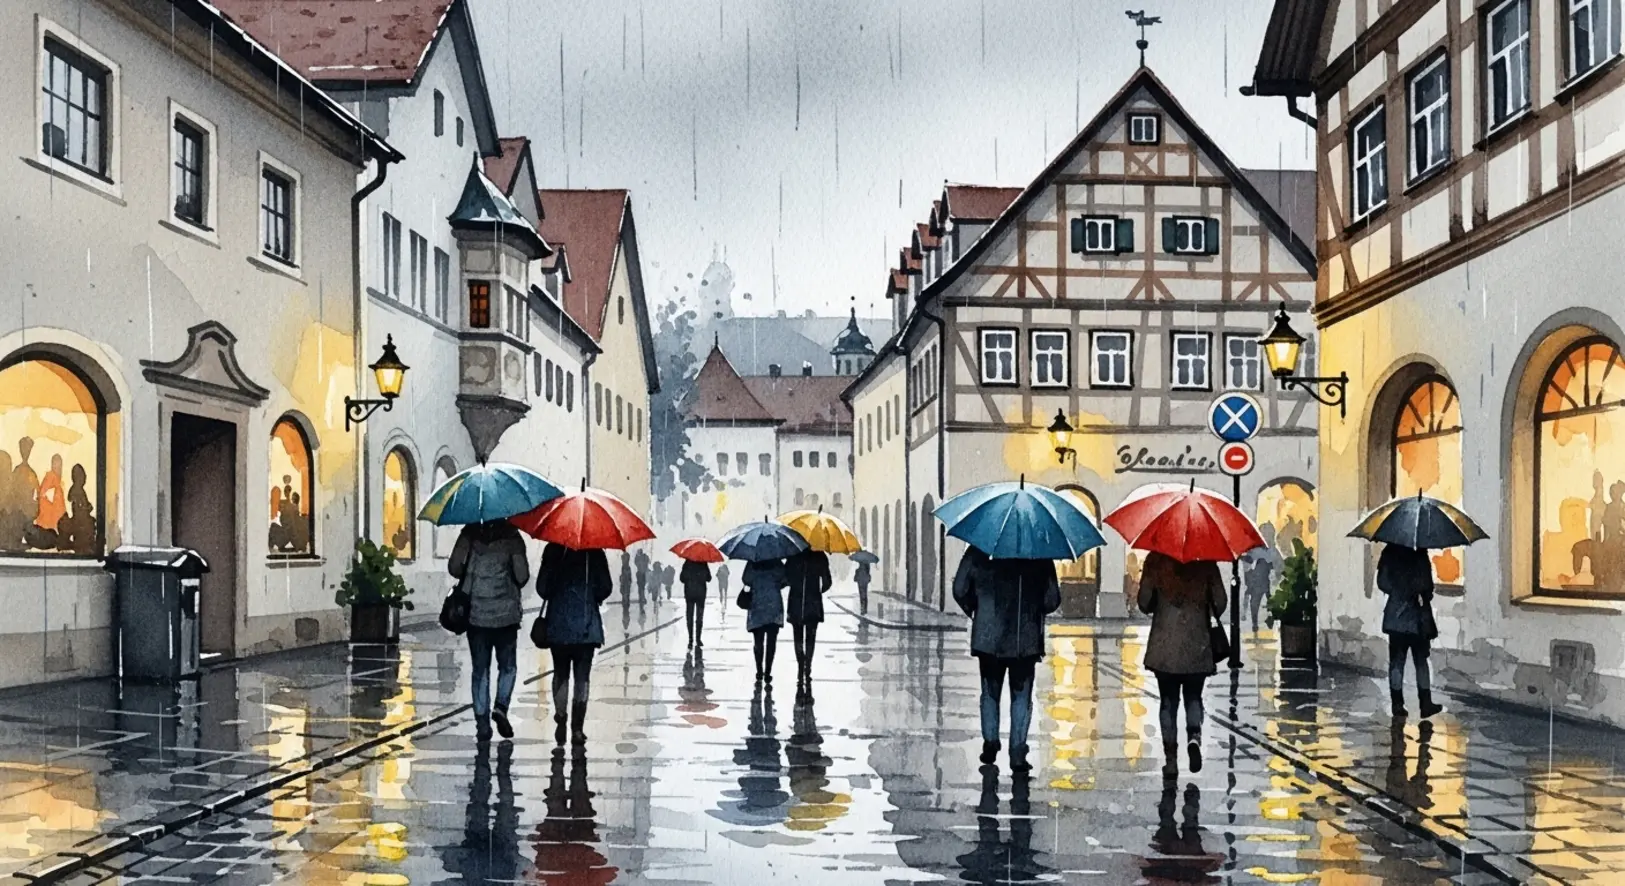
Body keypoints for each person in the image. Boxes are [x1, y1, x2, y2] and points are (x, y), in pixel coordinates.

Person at [953, 546, 1060, 773]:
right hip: (1025, 637)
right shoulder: (1038, 552)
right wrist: (1033, 607)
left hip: (988, 635)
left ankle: (991, 740)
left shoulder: (979, 550)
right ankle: (1017, 751)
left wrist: (977, 608)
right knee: (1021, 696)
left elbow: (959, 589)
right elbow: (1053, 599)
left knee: (990, 692)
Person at [1138, 551, 1227, 779]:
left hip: (1164, 645)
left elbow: (1144, 603)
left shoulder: (1155, 559)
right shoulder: (1206, 560)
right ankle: (1194, 737)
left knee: (1168, 702)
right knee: (1194, 697)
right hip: (1196, 643)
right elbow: (1221, 602)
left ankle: (1171, 761)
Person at [449, 520, 530, 741]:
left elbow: (454, 568)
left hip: (476, 614)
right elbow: (522, 577)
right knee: (508, 667)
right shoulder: (513, 537)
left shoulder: (469, 534)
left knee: (480, 671)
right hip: (506, 616)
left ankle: (482, 723)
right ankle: (501, 707)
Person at [539, 541, 614, 747]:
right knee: (582, 678)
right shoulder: (595, 551)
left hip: (558, 624)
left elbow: (542, 588)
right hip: (586, 625)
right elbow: (605, 588)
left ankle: (561, 717)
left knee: (561, 673)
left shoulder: (553, 549)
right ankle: (578, 728)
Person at [1378, 542, 1442, 719]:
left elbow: (1382, 583)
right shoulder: (1420, 553)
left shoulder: (1389, 551)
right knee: (1421, 661)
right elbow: (1428, 588)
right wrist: (1418, 593)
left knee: (1396, 662)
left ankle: (1397, 705)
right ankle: (1425, 703)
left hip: (1396, 616)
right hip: (1417, 617)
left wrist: (1398, 592)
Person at [784, 548, 832, 700]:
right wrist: (815, 589)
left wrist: (796, 582)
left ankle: (800, 666)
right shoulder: (820, 556)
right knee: (810, 639)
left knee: (798, 638)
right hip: (813, 604)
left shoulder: (793, 554)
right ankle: (807, 668)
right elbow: (827, 582)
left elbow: (785, 579)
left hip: (796, 604)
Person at [741, 557, 789, 684]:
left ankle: (759, 671)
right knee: (771, 642)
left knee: (758, 641)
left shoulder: (753, 561)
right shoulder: (777, 562)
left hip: (757, 604)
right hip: (774, 605)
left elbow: (745, 579)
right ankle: (768, 672)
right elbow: (786, 580)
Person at [680, 558, 712, 648]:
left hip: (689, 593)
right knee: (699, 617)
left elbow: (681, 578)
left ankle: (690, 639)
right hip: (700, 594)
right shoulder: (703, 563)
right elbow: (709, 578)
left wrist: (689, 578)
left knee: (689, 616)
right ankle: (698, 639)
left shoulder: (687, 563)